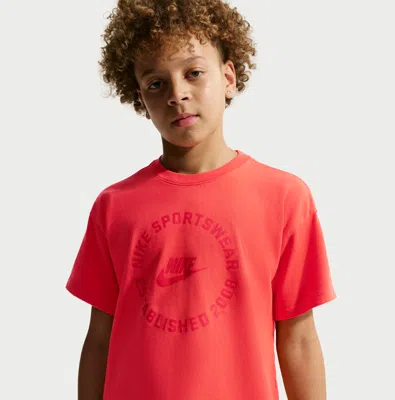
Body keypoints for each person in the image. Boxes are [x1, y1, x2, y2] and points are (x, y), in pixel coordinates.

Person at [65, 0, 337, 399]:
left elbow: (298, 338)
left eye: (193, 73)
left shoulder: (284, 198)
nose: (177, 94)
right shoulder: (114, 206)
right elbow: (99, 339)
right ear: (140, 99)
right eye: (156, 84)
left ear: (228, 77)